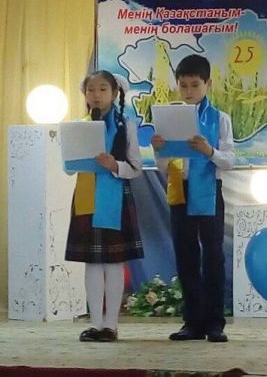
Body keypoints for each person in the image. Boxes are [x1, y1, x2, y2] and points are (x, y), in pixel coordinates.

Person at [151, 54, 234, 342]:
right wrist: (159, 150)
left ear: (208, 84)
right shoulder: (169, 118)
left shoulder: (220, 119)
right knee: (186, 255)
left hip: (209, 190)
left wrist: (209, 151)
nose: (188, 91)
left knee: (213, 256)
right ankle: (192, 322)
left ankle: (214, 322)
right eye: (183, 85)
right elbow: (164, 167)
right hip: (180, 190)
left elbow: (230, 161)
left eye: (195, 85)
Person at [65, 70, 143, 342]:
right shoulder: (79, 126)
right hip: (87, 197)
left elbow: (136, 168)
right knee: (92, 263)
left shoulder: (126, 125)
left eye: (102, 89)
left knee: (113, 263)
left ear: (114, 93)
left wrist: (115, 165)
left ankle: (111, 325)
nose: (96, 95)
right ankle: (95, 324)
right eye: (91, 90)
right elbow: (68, 168)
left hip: (115, 197)